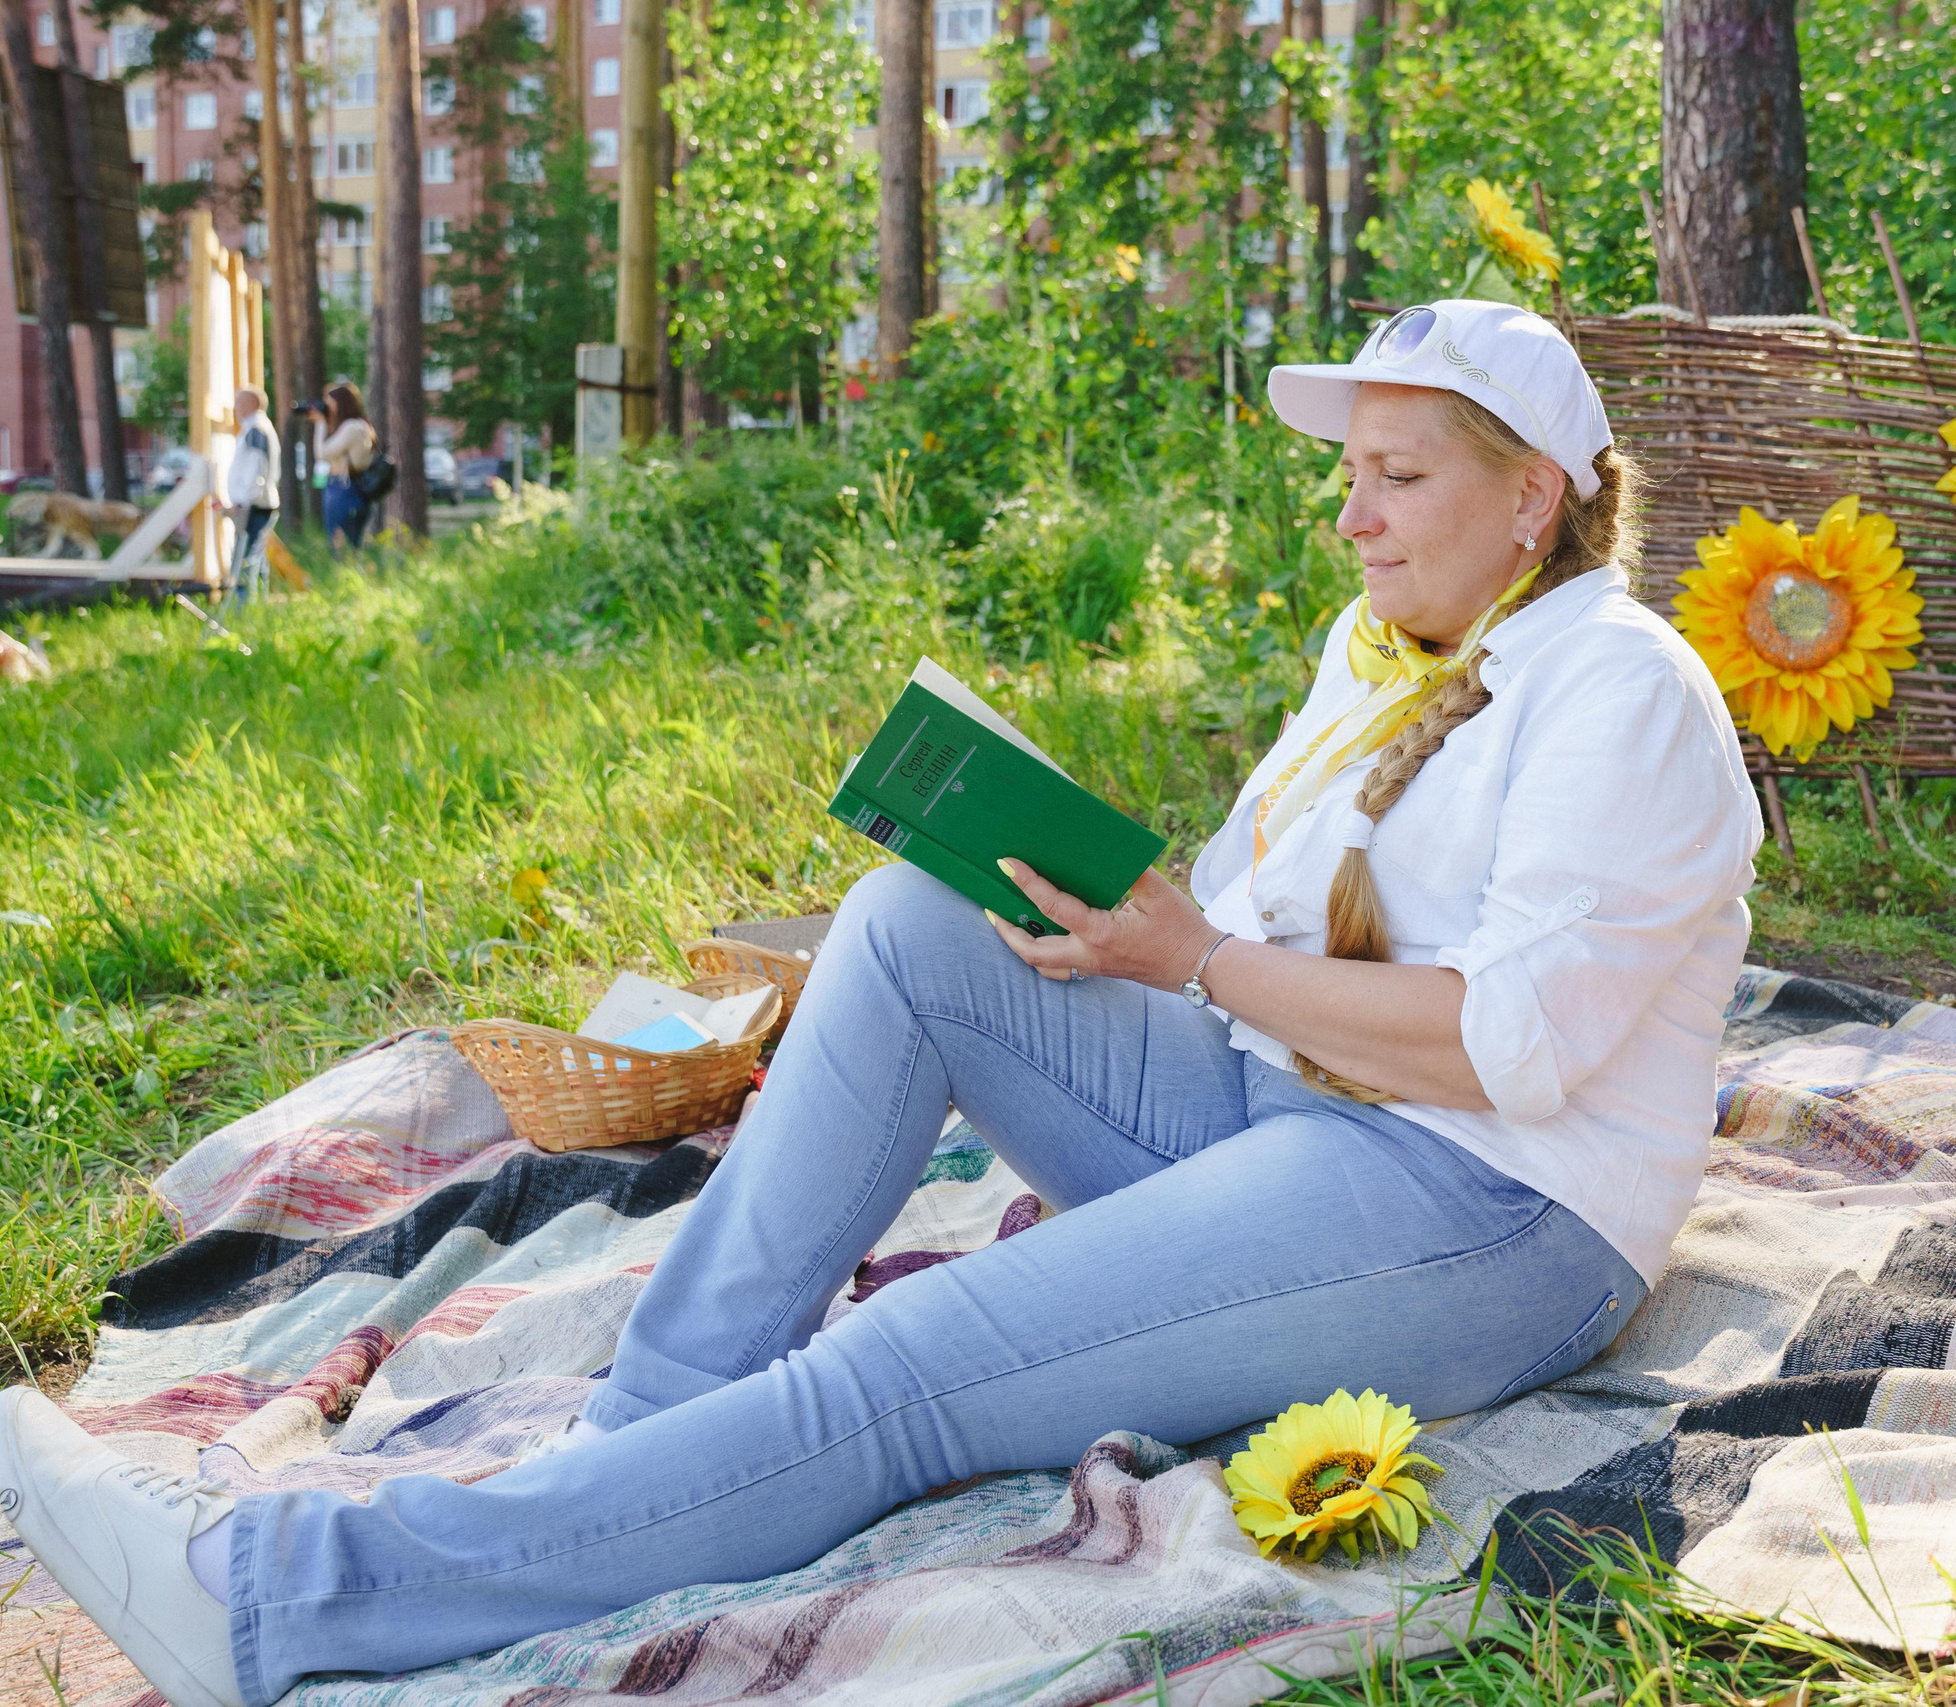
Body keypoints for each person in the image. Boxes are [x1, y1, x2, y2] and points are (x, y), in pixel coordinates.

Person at [0, 300, 1763, 1707]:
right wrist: (1091, 898)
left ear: (1533, 496)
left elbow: (1512, 1044)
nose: (1352, 511)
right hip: (1277, 1101)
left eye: (1398, 476)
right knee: (912, 920)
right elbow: (1231, 907)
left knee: (914, 1361)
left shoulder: (1617, 688)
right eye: (1352, 472)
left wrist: (1199, 962)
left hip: (1483, 1204)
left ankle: (271, 1599)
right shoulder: (1381, 657)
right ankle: (647, 1438)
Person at [224, 386, 281, 607]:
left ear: (254, 404)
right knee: (256, 558)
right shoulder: (255, 428)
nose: (236, 408)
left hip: (254, 504)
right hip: (256, 503)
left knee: (246, 558)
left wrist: (243, 502)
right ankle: (256, 607)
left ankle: (245, 608)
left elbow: (256, 469)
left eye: (240, 403)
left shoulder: (256, 428)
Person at [308, 383, 377, 550]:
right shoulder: (358, 425)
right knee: (351, 548)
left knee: (341, 549)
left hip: (345, 490)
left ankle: (345, 576)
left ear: (341, 403)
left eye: (329, 402)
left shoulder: (352, 427)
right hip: (349, 490)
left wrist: (320, 424)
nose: (326, 407)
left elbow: (322, 453)